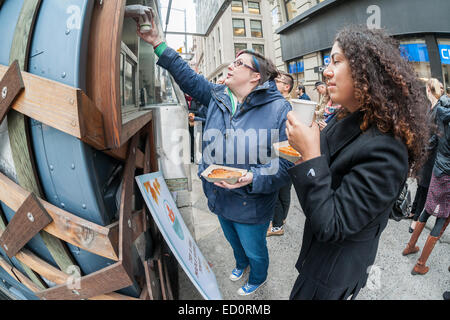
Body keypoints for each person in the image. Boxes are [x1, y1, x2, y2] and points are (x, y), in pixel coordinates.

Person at [136, 10, 292, 296]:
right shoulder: (218, 94)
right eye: (232, 61)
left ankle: (257, 276)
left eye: (239, 63)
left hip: (252, 203)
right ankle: (239, 262)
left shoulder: (279, 110)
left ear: (255, 76)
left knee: (255, 249)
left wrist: (251, 178)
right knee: (233, 241)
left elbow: (284, 167)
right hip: (219, 194)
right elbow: (186, 76)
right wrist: (158, 42)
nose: (230, 67)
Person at [285, 25, 428, 300]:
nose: (327, 71)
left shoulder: (387, 148)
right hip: (318, 258)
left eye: (336, 61)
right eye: (328, 62)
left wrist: (311, 154)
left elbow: (333, 225)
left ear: (367, 72)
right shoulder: (350, 116)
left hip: (333, 275)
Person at [402, 92, 450, 275]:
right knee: (441, 218)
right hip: (448, 175)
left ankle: (410, 246)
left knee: (428, 209)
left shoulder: (442, 110)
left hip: (437, 171)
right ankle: (420, 264)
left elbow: (432, 141)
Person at [408, 78, 443, 233]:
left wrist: (423, 147)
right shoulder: (430, 106)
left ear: (429, 89)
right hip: (425, 152)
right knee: (420, 183)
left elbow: (436, 135)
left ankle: (416, 221)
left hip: (431, 155)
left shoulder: (440, 108)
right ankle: (413, 211)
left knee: (424, 187)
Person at [267, 72, 294, 237]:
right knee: (284, 190)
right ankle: (281, 219)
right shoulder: (285, 103)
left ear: (287, 87)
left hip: (281, 152)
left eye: (278, 81)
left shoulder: (284, 104)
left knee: (276, 192)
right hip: (286, 153)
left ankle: (276, 226)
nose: (274, 83)